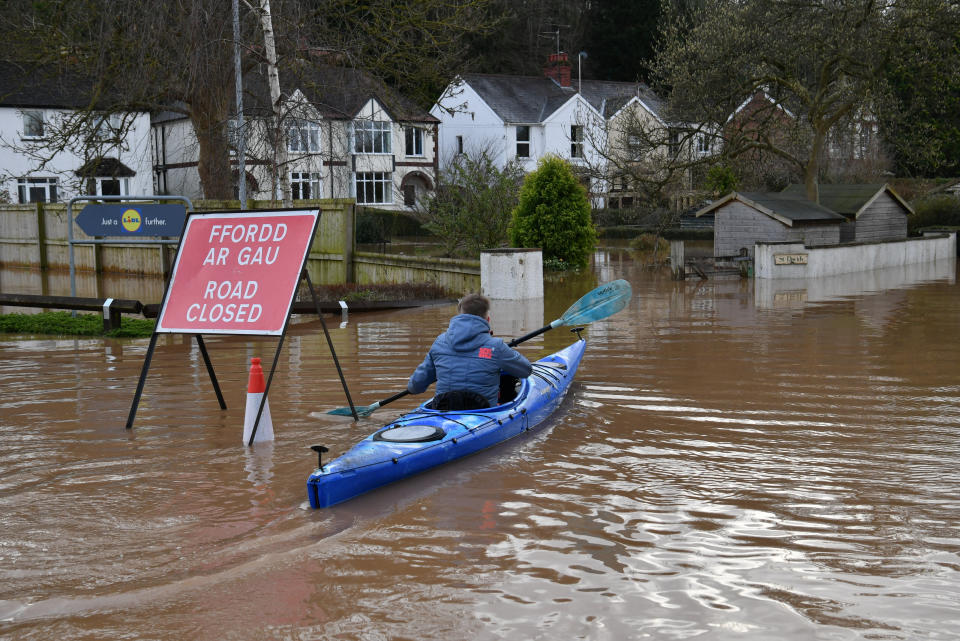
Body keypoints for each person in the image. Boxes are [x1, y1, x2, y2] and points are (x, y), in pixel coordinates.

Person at [407, 293, 532, 410]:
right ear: (487, 319)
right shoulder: (496, 346)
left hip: (443, 409)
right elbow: (526, 370)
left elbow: (414, 387)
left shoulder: (439, 342)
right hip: (483, 413)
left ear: (459, 315)